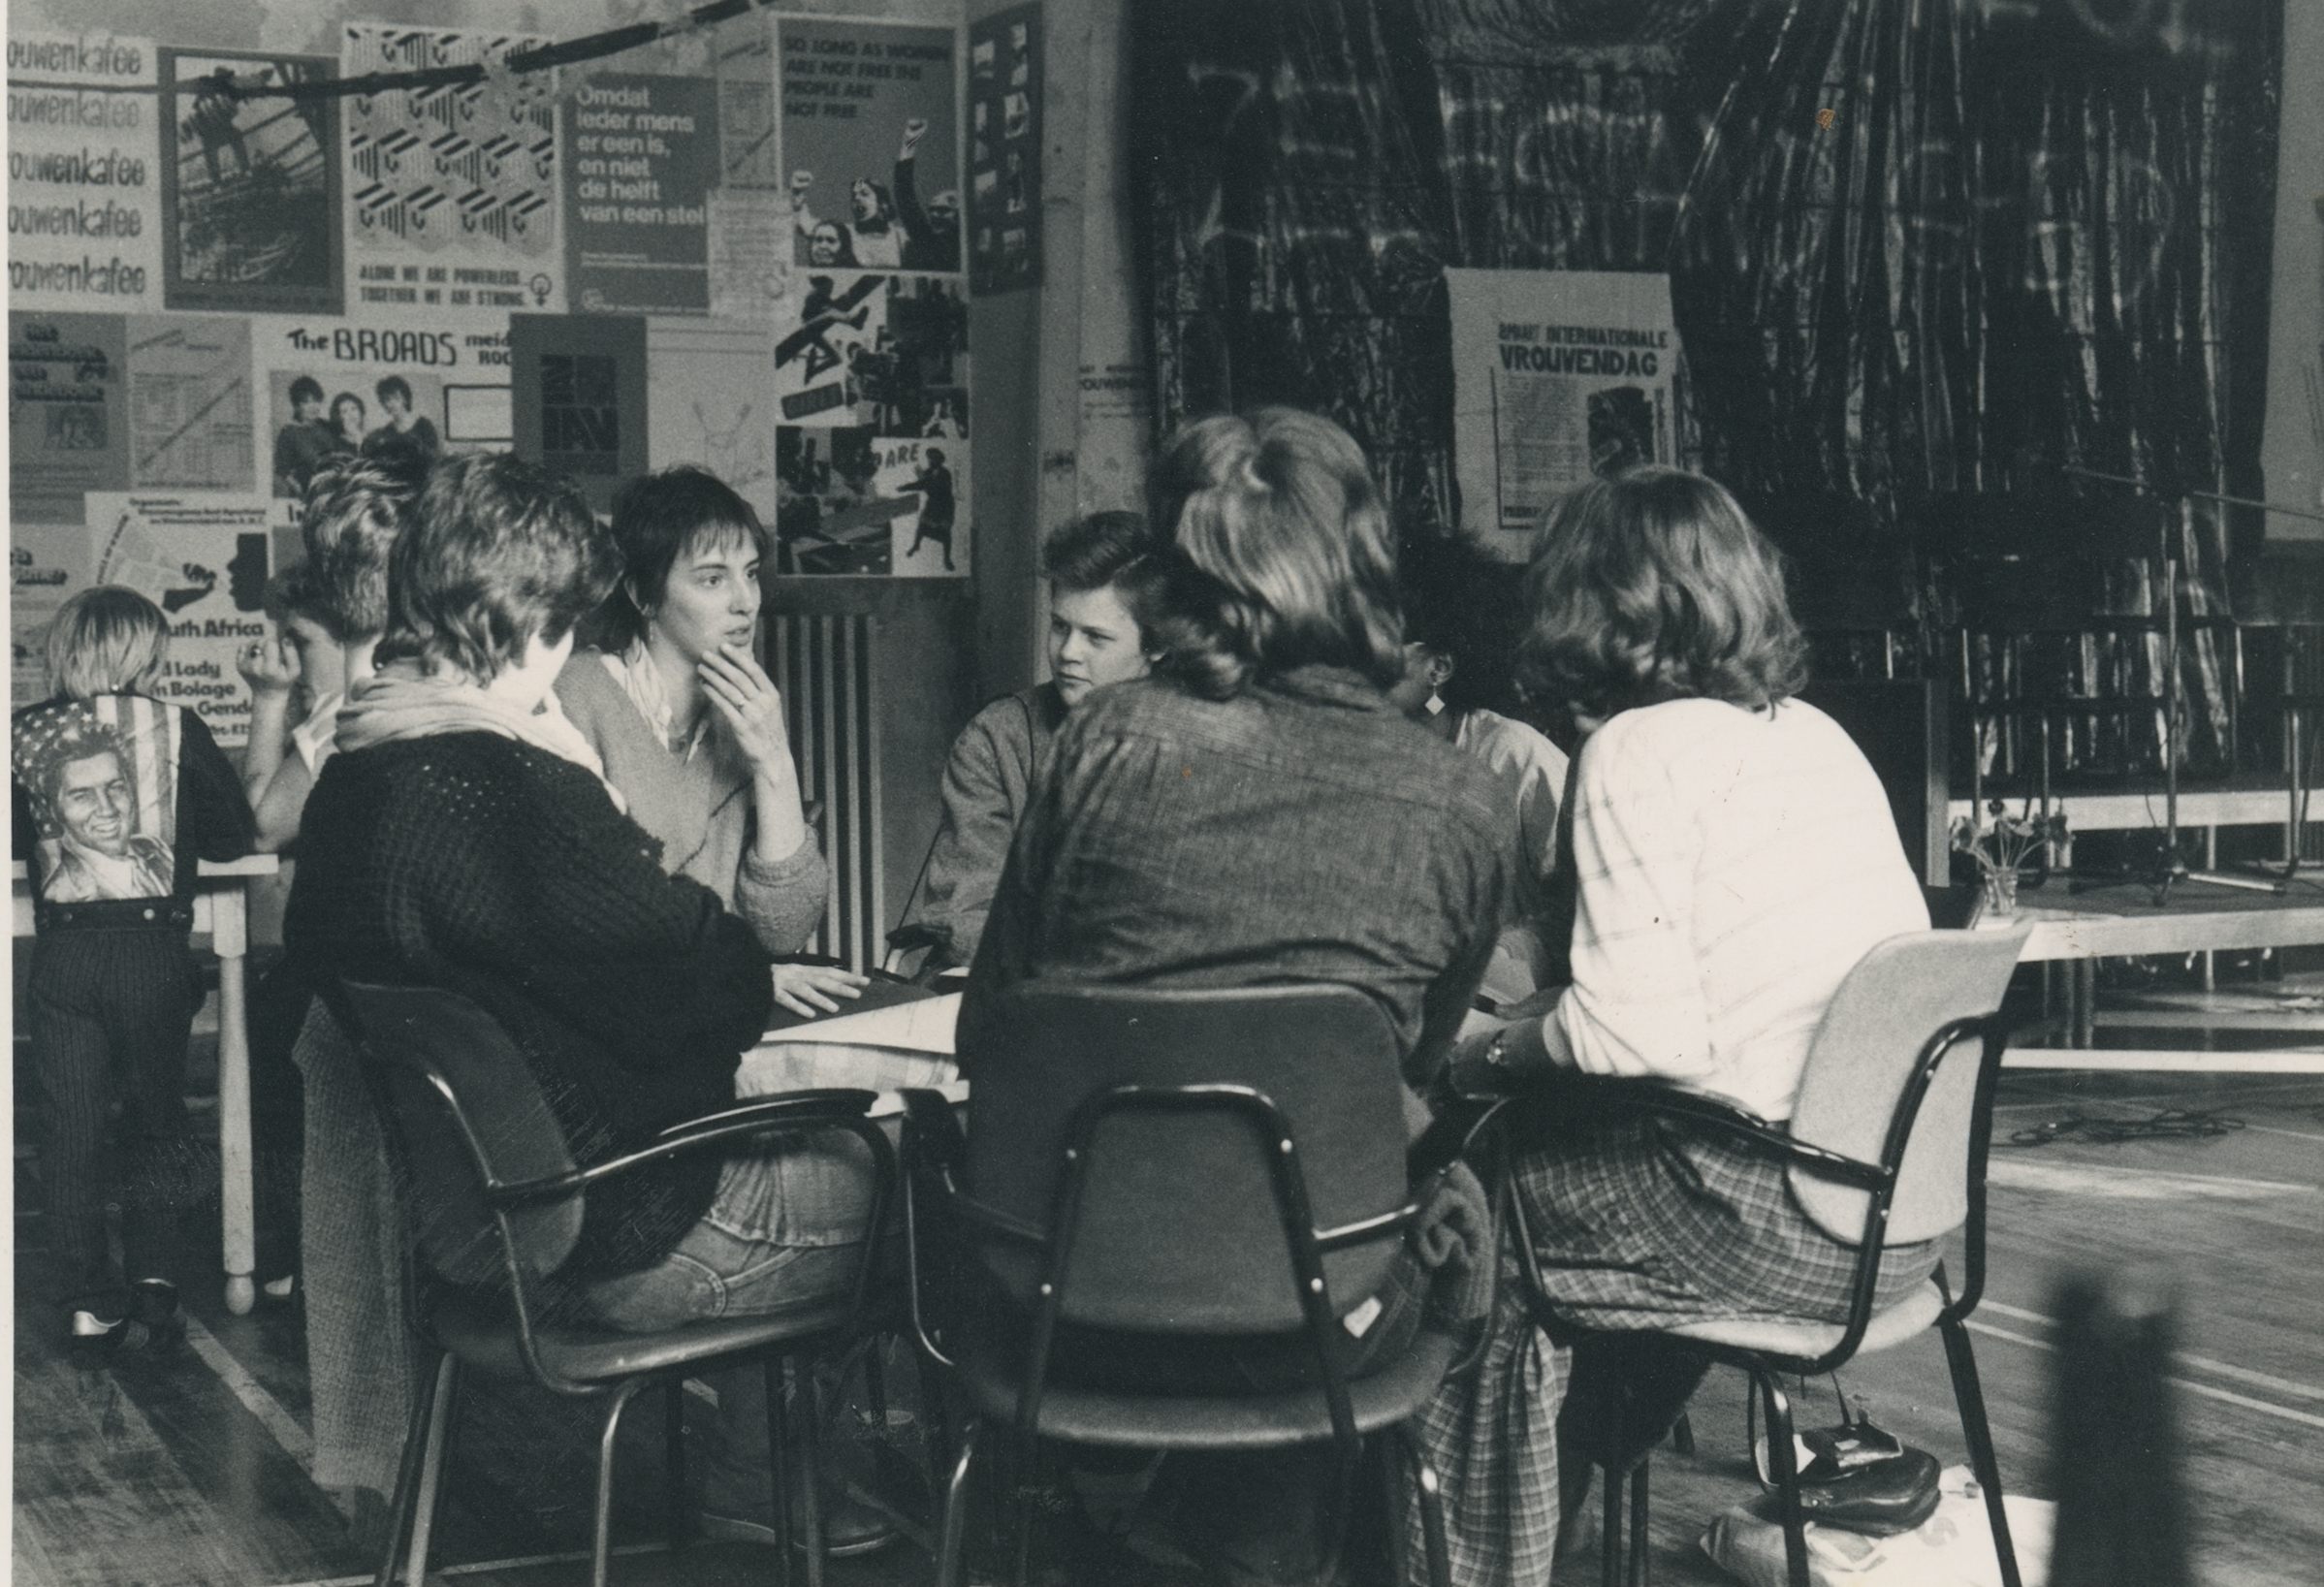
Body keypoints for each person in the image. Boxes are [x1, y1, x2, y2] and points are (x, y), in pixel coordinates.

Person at [959, 410, 1516, 1586]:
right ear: (1368, 561)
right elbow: (1403, 1073)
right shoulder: (1465, 803)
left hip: (1065, 1295)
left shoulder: (1102, 743)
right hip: (1318, 1315)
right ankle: (1236, 1546)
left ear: (1177, 574)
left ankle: (1107, 1532)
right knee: (1417, 1214)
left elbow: (994, 1024)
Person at [284, 454, 885, 1534]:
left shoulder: (356, 773)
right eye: (563, 624)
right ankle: (788, 1488)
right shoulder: (512, 779)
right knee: (899, 1171)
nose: (563, 653)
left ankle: (751, 1481)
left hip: (481, 1225)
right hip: (616, 1232)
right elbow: (717, 978)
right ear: (523, 623)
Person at [1420, 468, 1934, 1583]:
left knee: (1467, 1208)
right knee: (1560, 1205)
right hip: (1903, 1220)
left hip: (1774, 1222)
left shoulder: (1635, 751)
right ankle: (1571, 1484)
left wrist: (1484, 1056)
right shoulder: (1813, 733)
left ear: (1580, 603)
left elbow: (1630, 1041)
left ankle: (1467, 1564)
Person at [12, 587, 257, 1361]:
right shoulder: (177, 727)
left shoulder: (22, 731)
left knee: (71, 1128)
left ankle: (87, 1302)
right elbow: (233, 832)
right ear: (143, 656)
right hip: (152, 956)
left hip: (66, 954)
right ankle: (155, 1283)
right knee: (157, 1121)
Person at [557, 465, 859, 1017]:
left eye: (750, 573)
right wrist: (737, 977)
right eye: (713, 579)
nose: (745, 601)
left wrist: (775, 760)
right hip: (625, 1021)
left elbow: (784, 930)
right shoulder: (579, 696)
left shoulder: (740, 718)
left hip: (710, 1004)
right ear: (643, 595)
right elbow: (594, 934)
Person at [892, 511, 1168, 975]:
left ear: (1158, 645)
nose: (1067, 653)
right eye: (1060, 626)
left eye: (1096, 637)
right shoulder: (999, 739)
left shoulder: (1207, 744)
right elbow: (967, 915)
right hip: (1027, 995)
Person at [1388, 528, 1570, 1004]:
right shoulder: (1365, 755)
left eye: (1381, 636)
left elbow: (1585, 904)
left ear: (1439, 668)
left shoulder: (1516, 756)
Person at [272, 376, 335, 497]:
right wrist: (298, 489)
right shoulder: (288, 432)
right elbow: (282, 469)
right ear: (296, 406)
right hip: (306, 493)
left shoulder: (326, 425)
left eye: (316, 401)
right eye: (306, 402)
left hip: (332, 490)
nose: (313, 406)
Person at [361, 375, 441, 468]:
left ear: (405, 399)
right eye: (386, 400)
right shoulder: (387, 431)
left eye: (395, 398)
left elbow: (432, 457)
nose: (390, 404)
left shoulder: (424, 426)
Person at [901, 446, 956, 571]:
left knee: (945, 534)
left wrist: (923, 480)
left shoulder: (945, 473)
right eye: (929, 459)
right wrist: (905, 487)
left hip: (944, 505)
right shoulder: (928, 472)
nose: (930, 461)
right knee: (922, 526)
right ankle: (916, 546)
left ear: (938, 460)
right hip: (932, 504)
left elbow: (935, 488)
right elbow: (920, 485)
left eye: (932, 459)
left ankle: (947, 559)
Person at [328, 392, 366, 457]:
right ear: (339, 416)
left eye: (353, 409)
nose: (351, 415)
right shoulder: (336, 444)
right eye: (344, 411)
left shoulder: (371, 438)